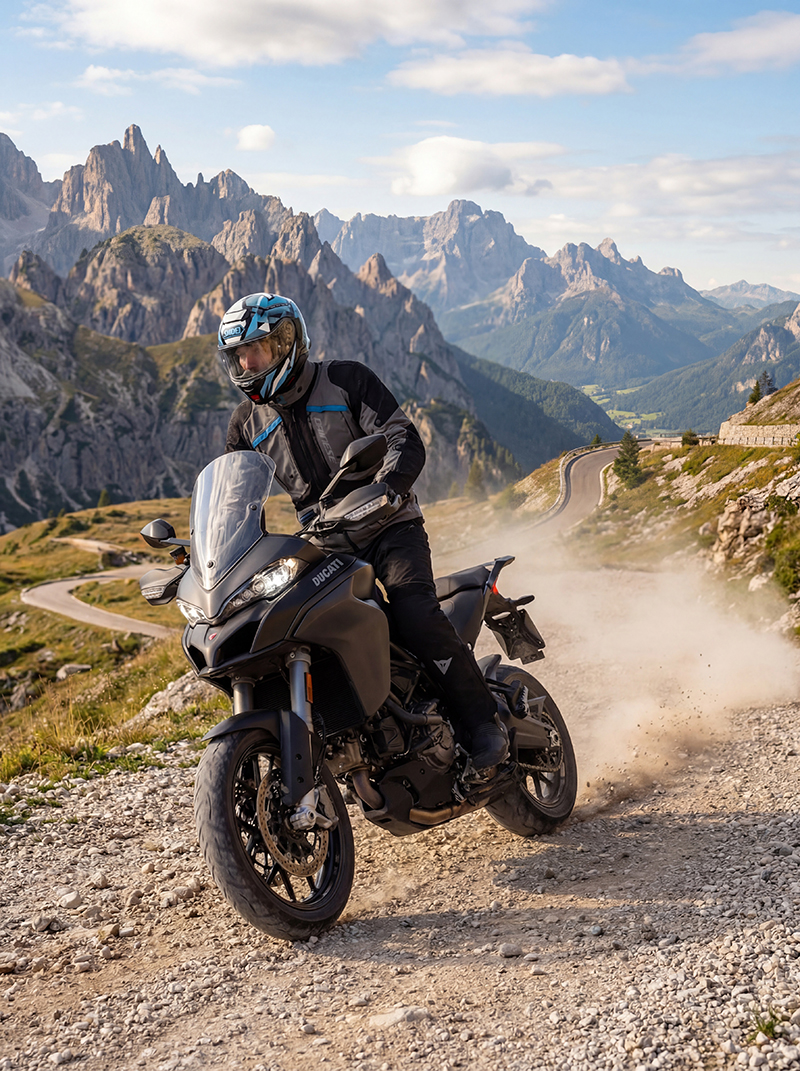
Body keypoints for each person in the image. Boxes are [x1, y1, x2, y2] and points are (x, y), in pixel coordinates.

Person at [220, 292, 508, 770]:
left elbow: (402, 437)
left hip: (388, 524)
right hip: (322, 542)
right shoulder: (246, 423)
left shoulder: (345, 379)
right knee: (296, 631)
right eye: (240, 355)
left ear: (287, 342)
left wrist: (391, 487)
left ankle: (482, 722)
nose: (248, 363)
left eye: (258, 349)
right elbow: (234, 495)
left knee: (413, 612)